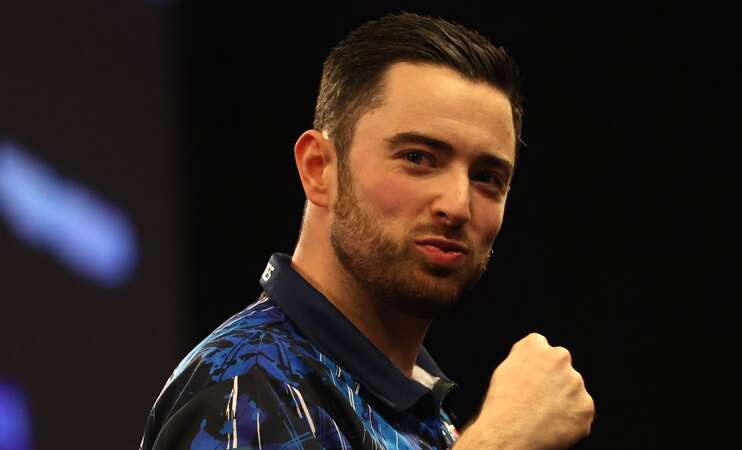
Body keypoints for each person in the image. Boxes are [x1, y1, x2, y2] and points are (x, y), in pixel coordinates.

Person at [140, 12, 594, 450]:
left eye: (487, 177)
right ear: (319, 169)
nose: (457, 205)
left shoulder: (418, 410)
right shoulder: (247, 387)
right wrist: (503, 440)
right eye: (418, 157)